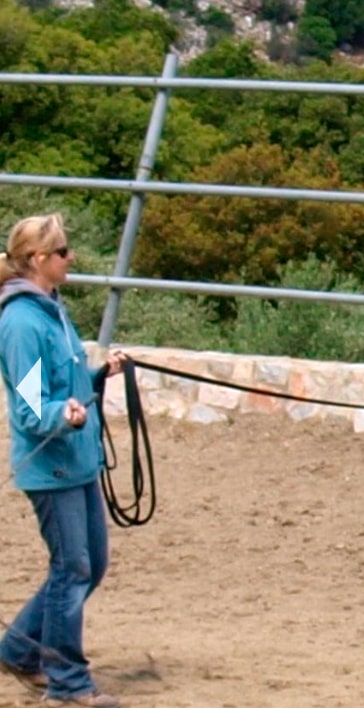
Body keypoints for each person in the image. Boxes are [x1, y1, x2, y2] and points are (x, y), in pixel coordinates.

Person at [0, 213, 127, 707]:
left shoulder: (51, 308)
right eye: (63, 252)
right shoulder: (22, 323)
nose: (70, 258)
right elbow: (33, 408)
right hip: (51, 465)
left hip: (75, 458)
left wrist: (96, 376)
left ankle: (18, 650)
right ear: (37, 260)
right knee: (72, 567)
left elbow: (61, 386)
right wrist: (62, 413)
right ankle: (68, 683)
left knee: (88, 564)